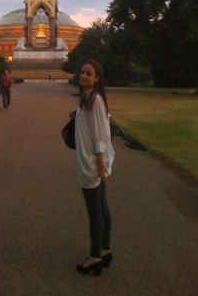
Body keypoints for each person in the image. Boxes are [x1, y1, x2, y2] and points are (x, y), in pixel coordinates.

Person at [70, 59, 115, 276]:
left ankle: (95, 256)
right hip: (93, 160)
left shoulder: (94, 100)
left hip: (91, 162)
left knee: (94, 211)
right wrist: (75, 114)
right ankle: (105, 250)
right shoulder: (88, 98)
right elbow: (95, 121)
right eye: (82, 72)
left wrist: (99, 161)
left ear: (97, 78)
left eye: (89, 74)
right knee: (102, 206)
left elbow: (99, 134)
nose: (84, 76)